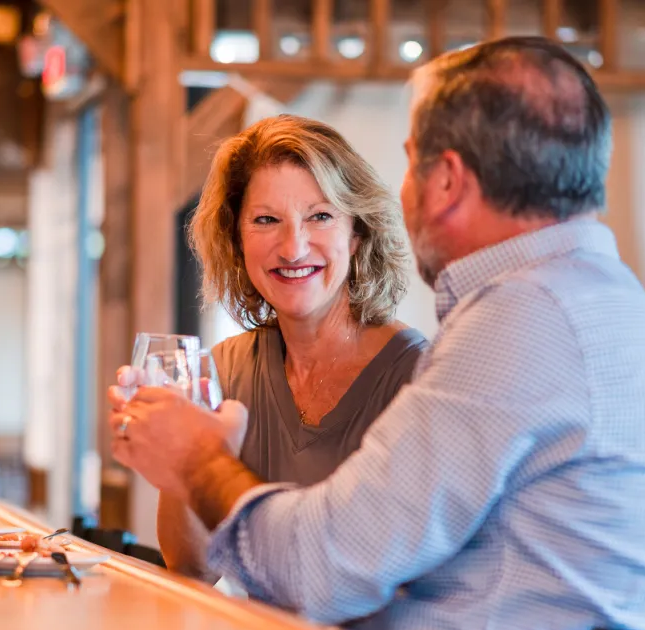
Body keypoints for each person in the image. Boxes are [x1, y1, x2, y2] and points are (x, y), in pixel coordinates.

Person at [109, 37, 645, 630]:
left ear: (447, 181)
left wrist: (198, 459)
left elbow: (320, 567)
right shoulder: (635, 319)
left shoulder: (521, 320)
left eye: (408, 165)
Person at [127, 115, 428, 581]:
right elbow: (191, 568)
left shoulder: (416, 376)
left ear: (357, 233)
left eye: (320, 216)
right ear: (237, 239)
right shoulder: (225, 371)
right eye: (266, 220)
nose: (292, 248)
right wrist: (180, 465)